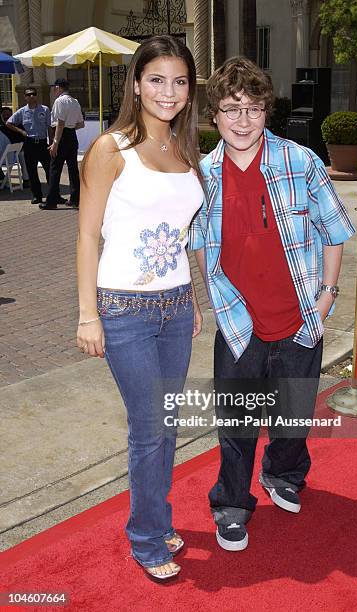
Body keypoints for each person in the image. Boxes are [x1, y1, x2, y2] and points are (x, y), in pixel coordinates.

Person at [189, 57, 355, 552]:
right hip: (240, 324)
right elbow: (198, 242)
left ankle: (284, 474)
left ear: (268, 112)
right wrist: (211, 298)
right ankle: (233, 504)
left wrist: (327, 296)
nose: (243, 120)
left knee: (293, 416)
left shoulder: (299, 161)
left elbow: (335, 229)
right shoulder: (201, 175)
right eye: (231, 109)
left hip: (300, 317)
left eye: (254, 109)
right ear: (214, 117)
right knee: (236, 425)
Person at [77, 35, 203, 580]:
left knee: (167, 424)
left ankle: (155, 516)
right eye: (156, 79)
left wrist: (192, 297)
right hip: (124, 309)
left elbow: (183, 236)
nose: (168, 92)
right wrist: (88, 314)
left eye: (179, 81)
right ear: (135, 83)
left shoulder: (185, 149)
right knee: (150, 426)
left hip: (176, 308)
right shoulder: (111, 149)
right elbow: (86, 236)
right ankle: (148, 535)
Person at [43, 78, 84, 210]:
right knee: (72, 169)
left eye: (54, 88)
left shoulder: (60, 101)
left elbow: (60, 124)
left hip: (62, 136)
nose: (53, 90)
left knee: (55, 169)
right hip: (71, 135)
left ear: (58, 88)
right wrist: (70, 128)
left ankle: (51, 200)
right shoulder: (75, 101)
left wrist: (55, 142)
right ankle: (75, 198)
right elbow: (81, 123)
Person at [3, 97, 46, 195]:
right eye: (4, 115)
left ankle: (26, 179)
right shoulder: (2, 128)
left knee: (23, 155)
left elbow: (23, 138)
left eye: (8, 115)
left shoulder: (18, 126)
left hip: (17, 150)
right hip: (4, 153)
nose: (6, 116)